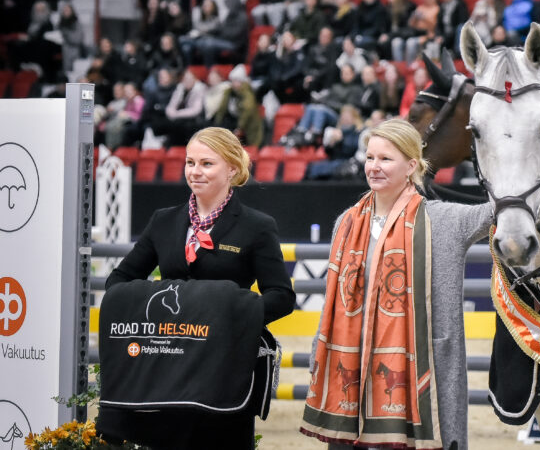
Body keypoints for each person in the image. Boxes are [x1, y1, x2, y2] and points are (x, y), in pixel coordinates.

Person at [300, 119, 492, 450]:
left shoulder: (445, 220)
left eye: (385, 159)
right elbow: (334, 301)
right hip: (353, 374)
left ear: (411, 166)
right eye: (370, 157)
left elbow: (504, 208)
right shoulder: (346, 223)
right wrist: (320, 347)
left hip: (421, 378)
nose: (374, 166)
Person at [100, 127, 295, 449]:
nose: (195, 171)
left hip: (224, 371)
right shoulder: (163, 221)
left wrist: (228, 317)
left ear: (232, 169)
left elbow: (282, 297)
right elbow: (118, 281)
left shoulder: (257, 226)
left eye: (207, 164)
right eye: (190, 162)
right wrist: (162, 307)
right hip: (164, 368)